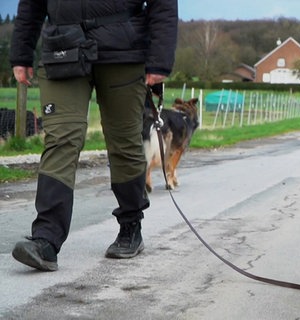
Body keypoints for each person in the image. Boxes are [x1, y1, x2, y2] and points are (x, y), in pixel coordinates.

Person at [9, 0, 178, 271]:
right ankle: (46, 239)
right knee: (60, 139)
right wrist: (21, 53)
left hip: (124, 51)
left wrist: (160, 58)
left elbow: (163, 4)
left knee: (124, 143)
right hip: (62, 45)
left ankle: (130, 225)